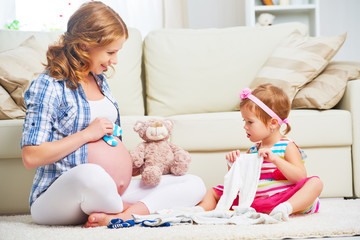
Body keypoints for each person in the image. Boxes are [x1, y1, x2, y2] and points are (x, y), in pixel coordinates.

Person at [21, 1, 206, 227]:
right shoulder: (48, 85)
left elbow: (109, 144)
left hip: (113, 192)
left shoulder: (99, 80)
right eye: (110, 52)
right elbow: (31, 157)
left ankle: (123, 216)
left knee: (192, 183)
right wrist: (86, 135)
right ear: (84, 45)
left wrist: (131, 164)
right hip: (59, 197)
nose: (115, 60)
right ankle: (137, 211)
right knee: (91, 174)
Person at [196, 83, 323, 220]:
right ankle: (196, 211)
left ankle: (285, 208)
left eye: (250, 122)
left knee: (315, 183)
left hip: (281, 198)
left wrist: (275, 160)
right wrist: (233, 165)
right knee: (213, 192)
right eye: (244, 121)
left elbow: (300, 177)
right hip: (254, 201)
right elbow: (241, 182)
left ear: (273, 123)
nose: (245, 127)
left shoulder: (287, 146)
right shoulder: (252, 150)